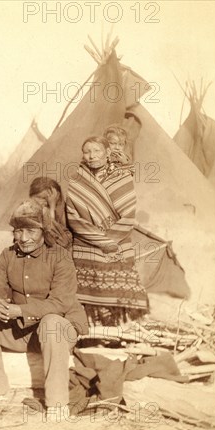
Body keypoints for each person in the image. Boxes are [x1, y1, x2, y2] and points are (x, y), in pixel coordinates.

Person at [0, 199, 88, 419]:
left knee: (52, 323)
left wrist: (18, 311)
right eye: (18, 231)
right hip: (24, 333)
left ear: (44, 231)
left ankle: (57, 403)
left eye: (31, 230)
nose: (24, 238)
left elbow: (60, 303)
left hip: (58, 332)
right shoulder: (8, 255)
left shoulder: (60, 257)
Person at [66, 136, 148, 326]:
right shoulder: (76, 180)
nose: (91, 156)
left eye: (96, 151)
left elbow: (128, 215)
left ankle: (117, 334)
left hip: (117, 244)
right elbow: (73, 216)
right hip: (85, 245)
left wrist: (109, 241)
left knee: (118, 297)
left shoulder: (122, 177)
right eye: (87, 152)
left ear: (107, 152)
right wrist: (99, 240)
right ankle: (90, 334)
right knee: (86, 298)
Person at [28, 177, 73, 250]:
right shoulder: (37, 210)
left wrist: (52, 205)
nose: (41, 201)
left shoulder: (65, 210)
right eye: (38, 198)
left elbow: (55, 238)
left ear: (56, 196)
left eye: (45, 198)